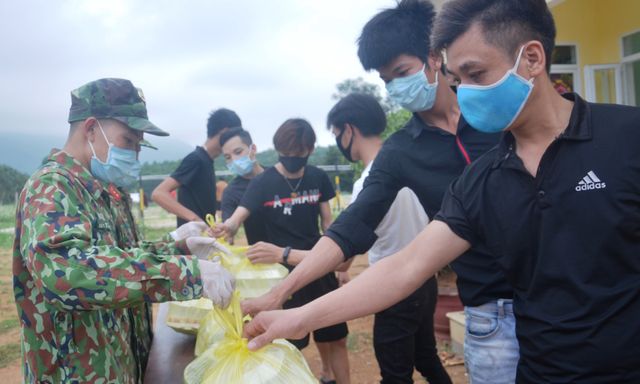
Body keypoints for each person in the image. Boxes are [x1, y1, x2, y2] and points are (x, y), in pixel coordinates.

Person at [245, 1, 640, 383]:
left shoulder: (616, 138)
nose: (466, 92)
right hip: (507, 327)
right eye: (460, 79)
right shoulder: (474, 176)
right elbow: (393, 258)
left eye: (475, 74)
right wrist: (292, 307)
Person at [242, 1, 515, 382]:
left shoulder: (496, 112)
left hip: (557, 294)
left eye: (401, 72)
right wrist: (280, 293)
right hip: (490, 311)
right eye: (386, 80)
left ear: (435, 58)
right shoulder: (402, 151)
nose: (395, 87)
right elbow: (351, 227)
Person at [13, 78, 235, 383]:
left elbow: (119, 257)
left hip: (116, 363)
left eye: (138, 145)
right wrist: (185, 272)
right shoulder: (52, 187)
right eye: (127, 141)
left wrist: (177, 248)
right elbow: (66, 272)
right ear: (90, 129)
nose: (135, 154)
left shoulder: (101, 190)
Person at [216, 119, 351, 384]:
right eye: (286, 155)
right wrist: (225, 226)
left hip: (317, 266)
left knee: (335, 337)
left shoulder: (318, 177)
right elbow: (237, 218)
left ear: (309, 150)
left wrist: (340, 267)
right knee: (288, 345)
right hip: (282, 277)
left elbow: (328, 223)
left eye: (298, 154)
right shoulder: (262, 183)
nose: (291, 159)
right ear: (278, 150)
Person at [330, 93, 451, 383]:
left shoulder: (368, 184)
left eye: (337, 134)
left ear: (349, 130)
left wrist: (284, 254)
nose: (339, 141)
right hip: (425, 280)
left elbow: (343, 261)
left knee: (395, 375)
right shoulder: (409, 165)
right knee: (426, 357)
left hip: (394, 288)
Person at [152, 108, 241, 226]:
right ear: (225, 132)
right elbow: (159, 193)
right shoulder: (196, 159)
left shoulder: (207, 161)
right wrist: (195, 220)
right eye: (234, 136)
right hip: (191, 240)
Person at [219, 127, 267, 245]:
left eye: (238, 152)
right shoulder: (231, 192)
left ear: (253, 149)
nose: (234, 160)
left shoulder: (277, 176)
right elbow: (228, 231)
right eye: (228, 157)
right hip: (262, 258)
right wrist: (222, 233)